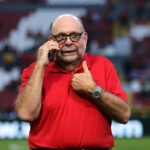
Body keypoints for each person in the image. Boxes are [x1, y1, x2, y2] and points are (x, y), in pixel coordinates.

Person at [15, 14, 130, 150]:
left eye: (74, 36)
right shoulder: (34, 71)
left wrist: (94, 90)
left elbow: (124, 115)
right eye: (61, 37)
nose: (68, 42)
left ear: (85, 38)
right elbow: (25, 113)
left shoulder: (103, 65)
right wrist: (40, 65)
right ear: (51, 41)